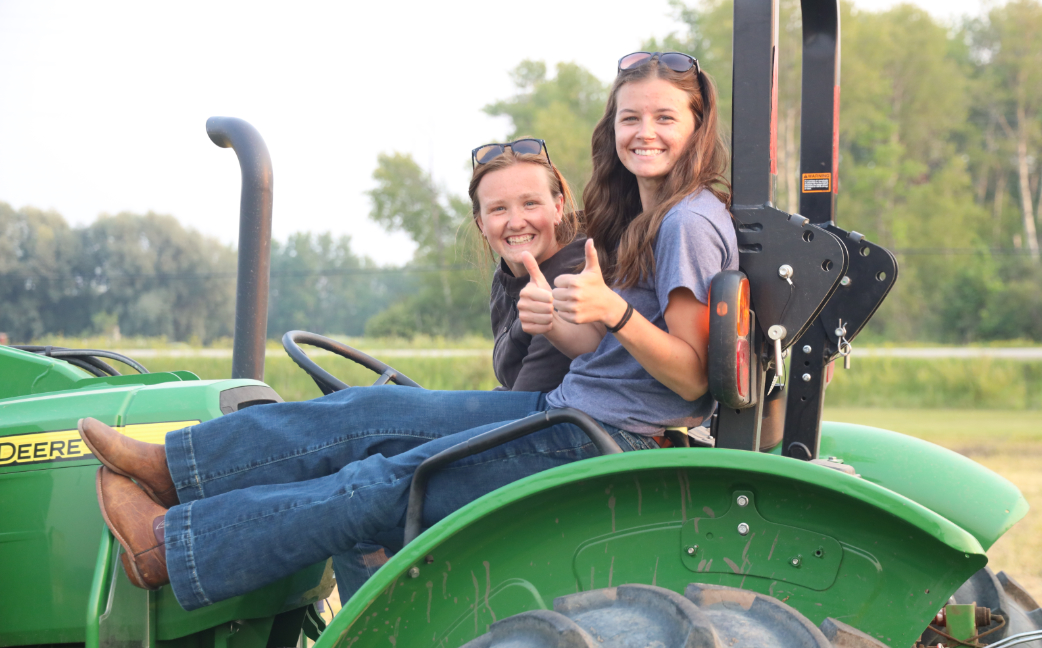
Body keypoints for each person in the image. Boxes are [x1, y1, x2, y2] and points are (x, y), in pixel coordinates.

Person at [82, 50, 736, 611]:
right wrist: (572, 325)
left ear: (696, 127)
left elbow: (689, 375)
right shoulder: (644, 217)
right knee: (365, 410)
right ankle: (177, 466)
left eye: (663, 117)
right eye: (630, 117)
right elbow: (608, 356)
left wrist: (610, 310)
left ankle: (172, 546)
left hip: (603, 439)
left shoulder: (687, 222)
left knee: (376, 484)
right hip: (575, 410)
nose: (642, 131)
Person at [334, 142, 586, 601]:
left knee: (356, 514)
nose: (515, 221)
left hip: (548, 455)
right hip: (530, 436)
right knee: (364, 468)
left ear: (558, 205)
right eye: (498, 209)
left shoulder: (565, 280)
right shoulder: (511, 275)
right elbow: (511, 387)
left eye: (530, 203)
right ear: (480, 222)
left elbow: (520, 409)